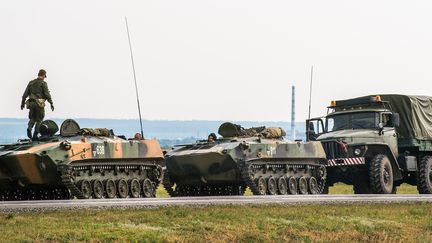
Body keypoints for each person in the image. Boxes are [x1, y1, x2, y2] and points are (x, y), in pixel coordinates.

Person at [20, 69, 54, 140]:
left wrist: (22, 103)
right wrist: (51, 103)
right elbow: (47, 95)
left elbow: (25, 94)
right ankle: (35, 135)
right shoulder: (43, 84)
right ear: (44, 75)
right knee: (39, 119)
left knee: (32, 118)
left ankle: (29, 128)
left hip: (31, 103)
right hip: (39, 104)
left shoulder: (31, 83)